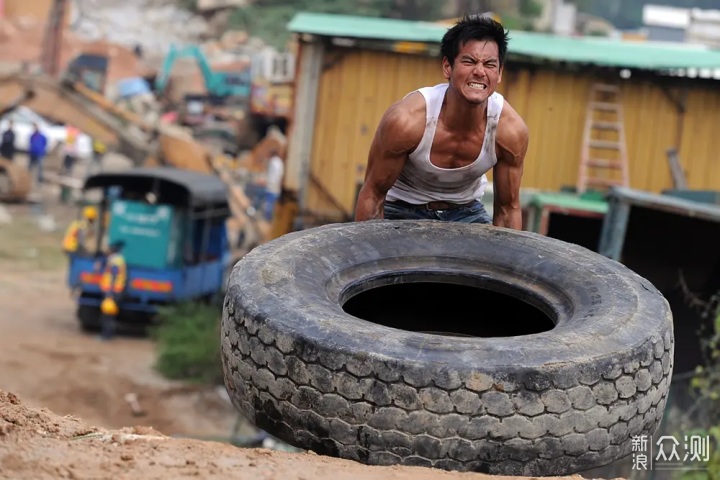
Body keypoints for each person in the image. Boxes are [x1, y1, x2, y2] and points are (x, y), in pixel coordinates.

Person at [354, 15, 529, 230]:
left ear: (499, 73)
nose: (480, 72)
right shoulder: (407, 121)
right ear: (447, 67)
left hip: (467, 212)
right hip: (401, 209)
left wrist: (507, 263)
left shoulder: (509, 130)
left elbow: (507, 209)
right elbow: (373, 194)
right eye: (469, 61)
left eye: (490, 64)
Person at [98, 240, 126, 341]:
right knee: (109, 314)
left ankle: (106, 335)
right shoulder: (117, 259)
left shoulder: (115, 261)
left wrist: (110, 292)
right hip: (115, 291)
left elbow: (114, 276)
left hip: (113, 291)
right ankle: (106, 334)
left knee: (107, 315)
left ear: (113, 250)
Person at [263, 150, 284, 221]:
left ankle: (268, 219)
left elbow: (272, 175)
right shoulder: (280, 162)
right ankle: (273, 220)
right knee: (275, 204)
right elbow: (280, 175)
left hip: (272, 186)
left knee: (269, 204)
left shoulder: (273, 162)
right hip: (276, 186)